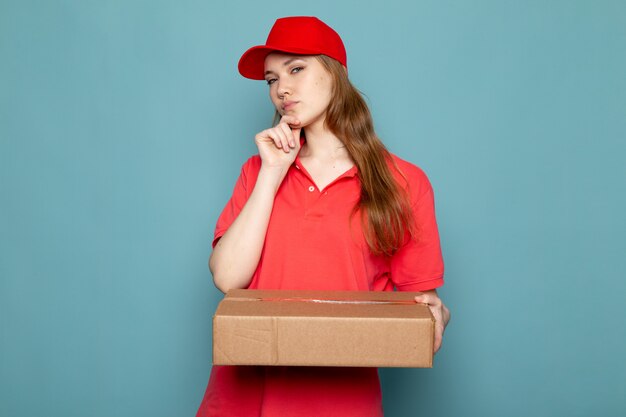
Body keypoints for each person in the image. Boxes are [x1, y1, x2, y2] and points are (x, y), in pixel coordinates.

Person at [196, 16, 450, 417]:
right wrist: (273, 172)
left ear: (337, 74)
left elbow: (422, 310)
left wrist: (435, 317)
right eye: (271, 79)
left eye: (297, 69)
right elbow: (228, 278)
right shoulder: (257, 172)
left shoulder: (404, 182)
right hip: (245, 399)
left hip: (342, 402)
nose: (281, 89)